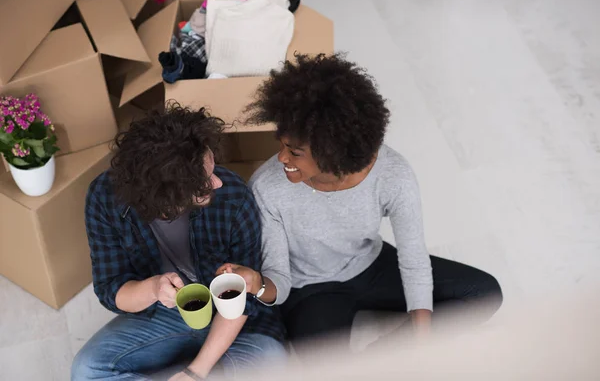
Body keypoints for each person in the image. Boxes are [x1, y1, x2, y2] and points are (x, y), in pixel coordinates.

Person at [217, 53, 503, 352]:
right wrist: (257, 284)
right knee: (324, 365)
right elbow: (281, 281)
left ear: (332, 152)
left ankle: (377, 358)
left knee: (485, 293)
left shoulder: (393, 175)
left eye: (294, 151)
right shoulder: (267, 186)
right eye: (282, 144)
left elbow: (414, 262)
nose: (282, 158)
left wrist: (419, 338)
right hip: (311, 290)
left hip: (371, 265)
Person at [71, 102, 286, 381]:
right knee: (86, 370)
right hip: (166, 315)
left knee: (274, 364)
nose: (218, 183)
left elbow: (245, 300)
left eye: (212, 169)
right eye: (205, 181)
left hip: (232, 320)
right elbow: (111, 288)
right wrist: (153, 289)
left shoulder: (233, 195)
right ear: (168, 197)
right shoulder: (105, 197)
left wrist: (195, 372)